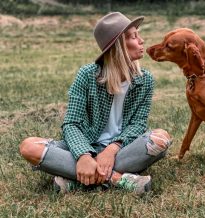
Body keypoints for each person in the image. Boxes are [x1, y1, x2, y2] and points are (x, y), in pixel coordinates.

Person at [19, 12, 172, 195]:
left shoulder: (145, 80)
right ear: (119, 46)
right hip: (86, 144)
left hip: (123, 149)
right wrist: (84, 155)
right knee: (28, 146)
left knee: (161, 139)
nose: (141, 40)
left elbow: (138, 124)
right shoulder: (87, 75)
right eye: (133, 36)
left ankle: (78, 180)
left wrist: (111, 150)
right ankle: (118, 179)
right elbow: (71, 124)